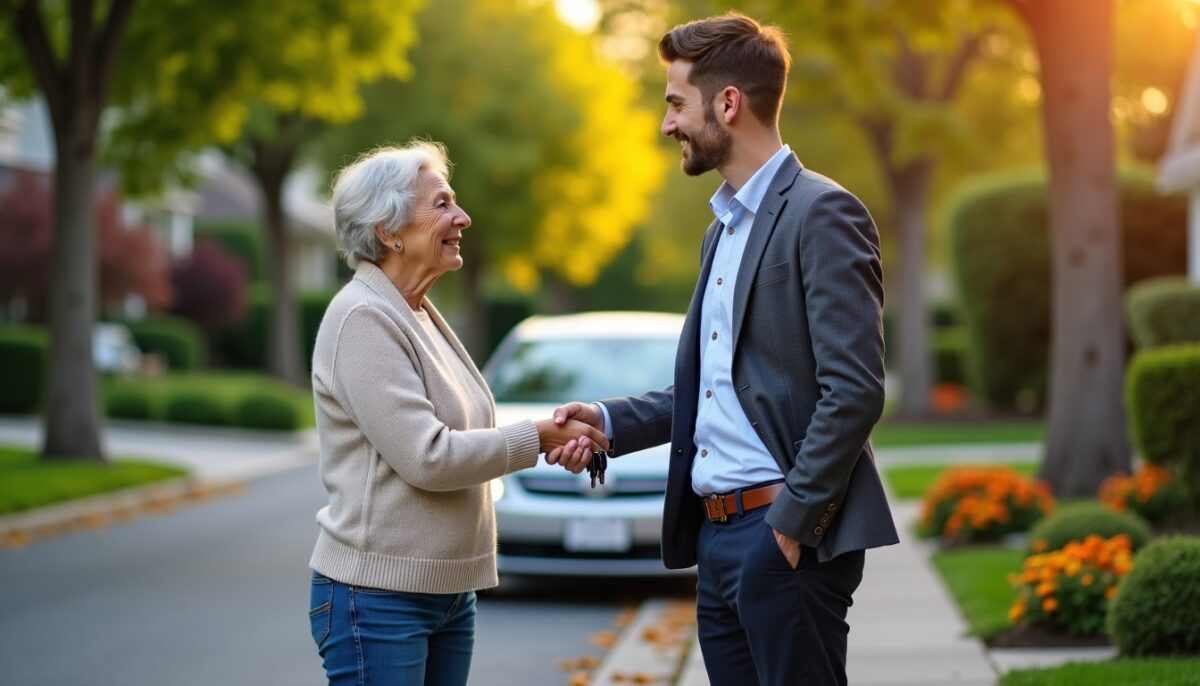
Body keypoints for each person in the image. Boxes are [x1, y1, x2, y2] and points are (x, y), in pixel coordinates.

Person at [548, 13, 899, 686]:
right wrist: (609, 420)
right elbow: (721, 385)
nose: (667, 123)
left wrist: (793, 525)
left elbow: (854, 391)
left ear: (728, 103)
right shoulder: (723, 229)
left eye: (676, 102)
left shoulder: (822, 213)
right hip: (717, 539)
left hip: (782, 536)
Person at [308, 141, 601, 686]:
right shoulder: (363, 319)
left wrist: (549, 435)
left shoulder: (417, 312)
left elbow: (471, 434)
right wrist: (537, 437)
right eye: (441, 204)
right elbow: (428, 457)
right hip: (379, 597)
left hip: (446, 593)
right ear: (387, 230)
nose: (462, 217)